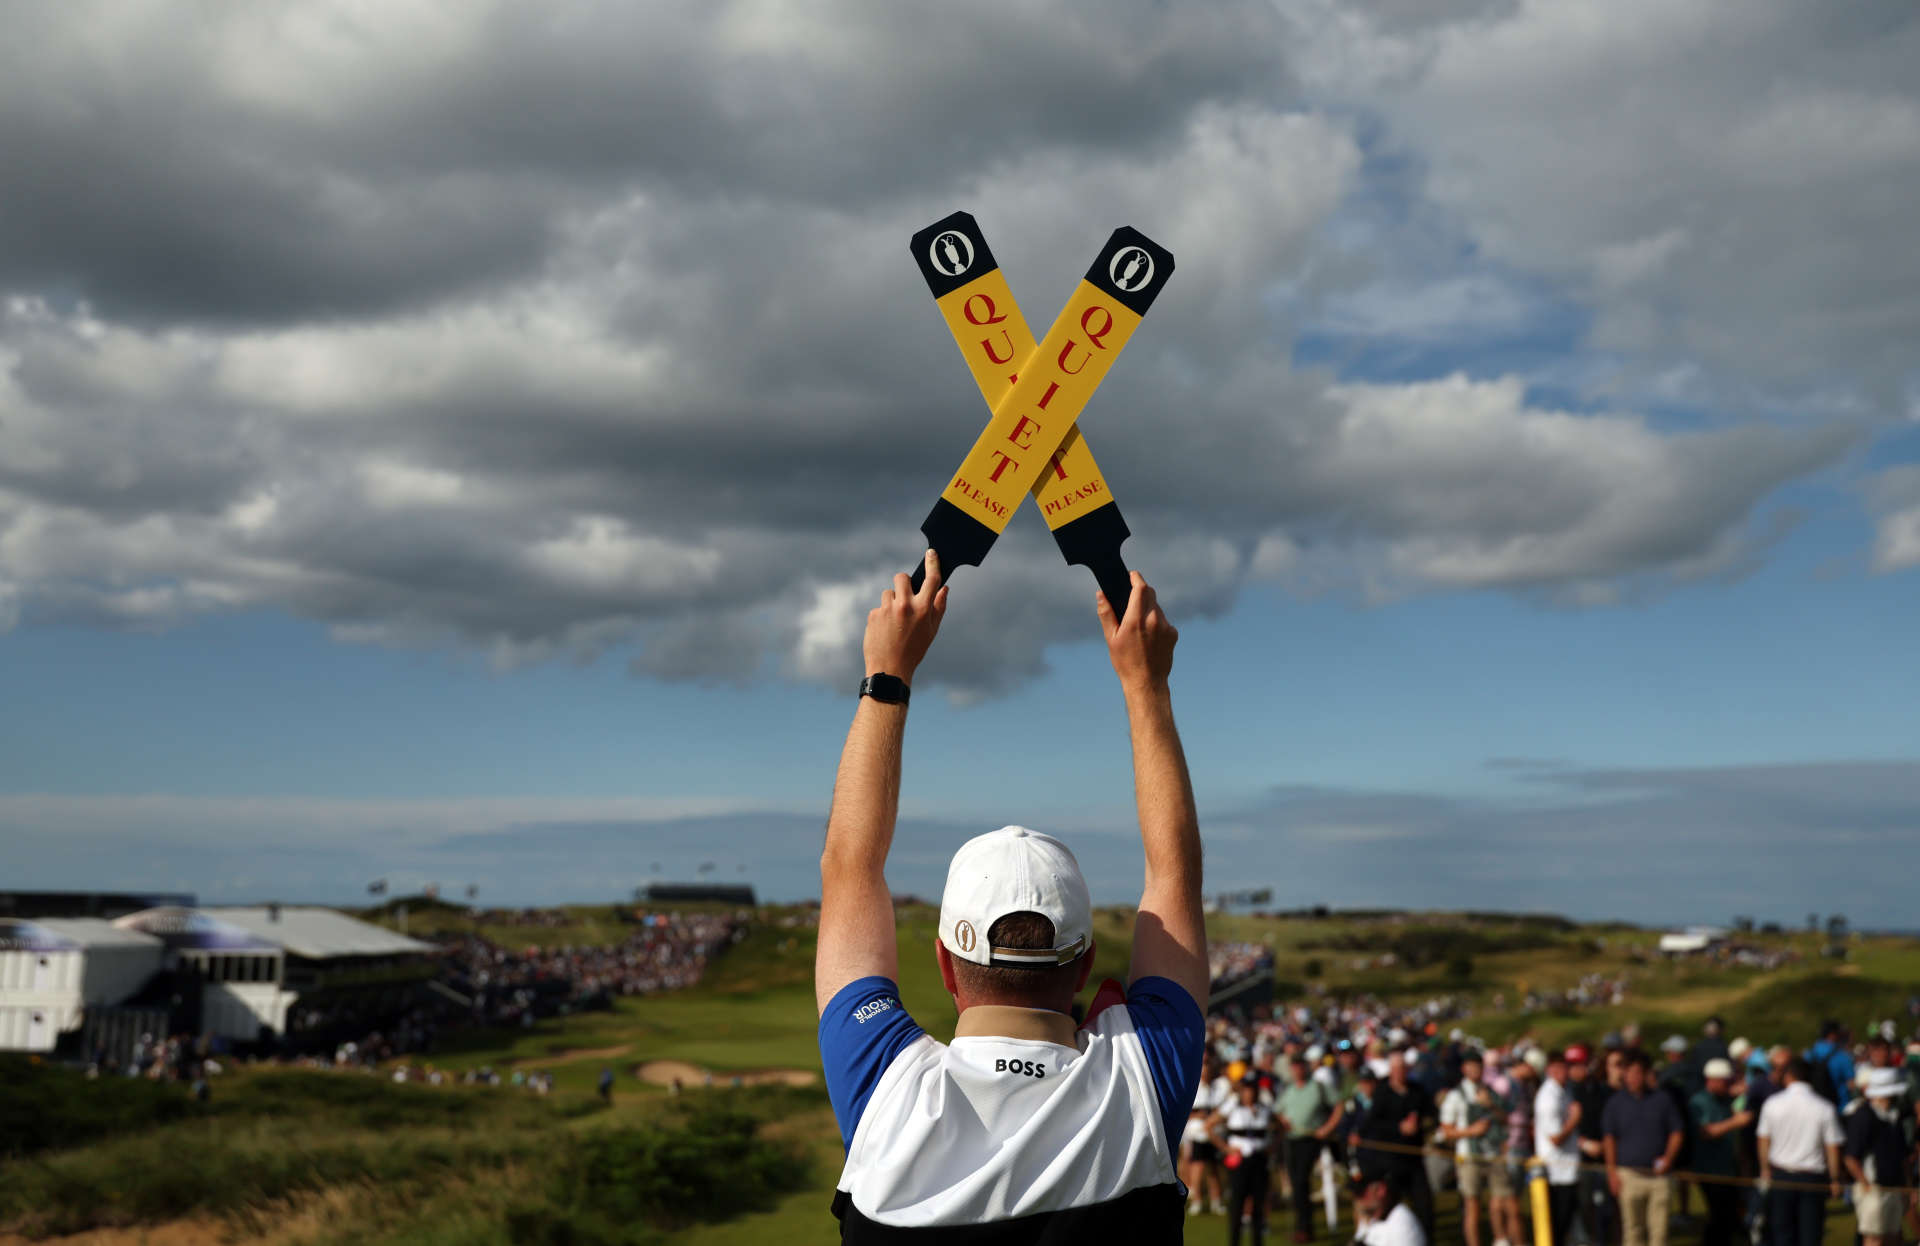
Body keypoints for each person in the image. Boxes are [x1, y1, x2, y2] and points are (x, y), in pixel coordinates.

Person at [816, 557, 1209, 1241]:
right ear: (1082, 968)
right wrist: (1146, 686)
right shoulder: (1140, 1083)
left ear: (945, 963)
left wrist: (887, 674)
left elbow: (850, 871)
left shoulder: (887, 1094)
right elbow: (1173, 875)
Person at [1756, 1057, 1844, 1246]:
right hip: (1811, 1178)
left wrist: (1764, 1169)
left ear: (1788, 1076)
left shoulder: (1773, 1103)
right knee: (1810, 1235)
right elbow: (1832, 1148)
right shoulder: (1824, 1107)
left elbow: (1763, 1140)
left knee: (1782, 1233)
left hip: (1781, 1175)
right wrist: (1835, 1178)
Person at [1603, 1050, 1684, 1246]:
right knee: (1632, 1231)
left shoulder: (1662, 1100)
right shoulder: (1615, 1103)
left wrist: (1668, 1158)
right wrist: (1612, 1172)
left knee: (1660, 1232)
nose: (1632, 1077)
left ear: (1646, 1074)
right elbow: (1609, 1139)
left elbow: (1677, 1132)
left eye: (1637, 1072)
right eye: (1628, 1072)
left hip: (1658, 1177)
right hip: (1629, 1175)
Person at [1366, 1051, 1438, 1241]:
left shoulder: (1417, 1091)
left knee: (1424, 1205)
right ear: (1391, 1071)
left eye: (1403, 1068)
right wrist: (1399, 1127)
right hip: (1390, 1159)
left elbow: (1432, 1115)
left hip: (1414, 1157)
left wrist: (1419, 1124)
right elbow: (1374, 1123)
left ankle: (1424, 1239)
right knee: (1390, 1205)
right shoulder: (1382, 1093)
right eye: (1396, 1069)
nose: (1400, 1073)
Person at [1440, 1051, 1510, 1246]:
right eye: (1471, 1065)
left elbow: (1505, 1119)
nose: (1475, 1069)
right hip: (1469, 1156)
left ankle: (1501, 1239)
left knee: (1500, 1199)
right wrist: (1472, 1131)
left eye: (1478, 1065)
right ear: (1464, 1069)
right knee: (1473, 1205)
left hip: (1492, 1153)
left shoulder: (1490, 1091)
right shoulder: (1456, 1095)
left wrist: (1491, 1106)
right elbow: (1446, 1131)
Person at [1278, 1053, 1344, 1243]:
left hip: (1310, 1139)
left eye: (1300, 1065)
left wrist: (1327, 1128)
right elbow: (1279, 1111)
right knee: (1296, 1184)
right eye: (1294, 1066)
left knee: (1301, 1182)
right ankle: (1303, 1227)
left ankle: (1305, 1228)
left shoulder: (1318, 1087)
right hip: (1292, 1139)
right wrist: (1283, 1121)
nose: (1297, 1069)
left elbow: (1338, 1106)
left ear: (1305, 1067)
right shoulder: (1289, 1089)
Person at [1843, 1068, 1911, 1246]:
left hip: (1894, 1187)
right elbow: (1851, 1157)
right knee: (1874, 1238)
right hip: (1874, 1188)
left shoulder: (1893, 1116)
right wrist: (1866, 1184)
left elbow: (1902, 1155)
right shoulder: (1864, 1115)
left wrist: (1906, 1186)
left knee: (1893, 1236)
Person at [1687, 1058, 1750, 1246]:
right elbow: (1705, 1132)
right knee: (1720, 1215)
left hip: (1727, 1167)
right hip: (1710, 1170)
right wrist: (1735, 1122)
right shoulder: (1699, 1101)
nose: (1729, 1085)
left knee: (1728, 1215)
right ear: (1711, 1080)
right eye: (1725, 1081)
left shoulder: (1724, 1100)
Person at [1218, 1076, 1279, 1246]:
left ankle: (1257, 1241)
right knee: (1237, 1204)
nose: (1249, 1093)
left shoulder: (1264, 1109)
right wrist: (1226, 1148)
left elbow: (1281, 1127)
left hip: (1259, 1160)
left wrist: (1273, 1146)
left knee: (1258, 1204)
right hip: (1239, 1161)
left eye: (1252, 1089)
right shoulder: (1233, 1107)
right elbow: (1209, 1126)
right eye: (1246, 1089)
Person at [1535, 1050, 1584, 1246]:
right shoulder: (1548, 1097)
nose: (1564, 1071)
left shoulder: (1564, 1090)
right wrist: (1575, 1119)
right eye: (1560, 1067)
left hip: (1567, 1169)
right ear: (1550, 1070)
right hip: (1555, 1173)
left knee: (1564, 1226)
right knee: (1556, 1227)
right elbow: (1556, 1138)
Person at [1355, 1172, 1428, 1246]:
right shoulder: (1368, 1219)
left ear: (1380, 1190)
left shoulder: (1401, 1223)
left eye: (1360, 1192)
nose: (1357, 1199)